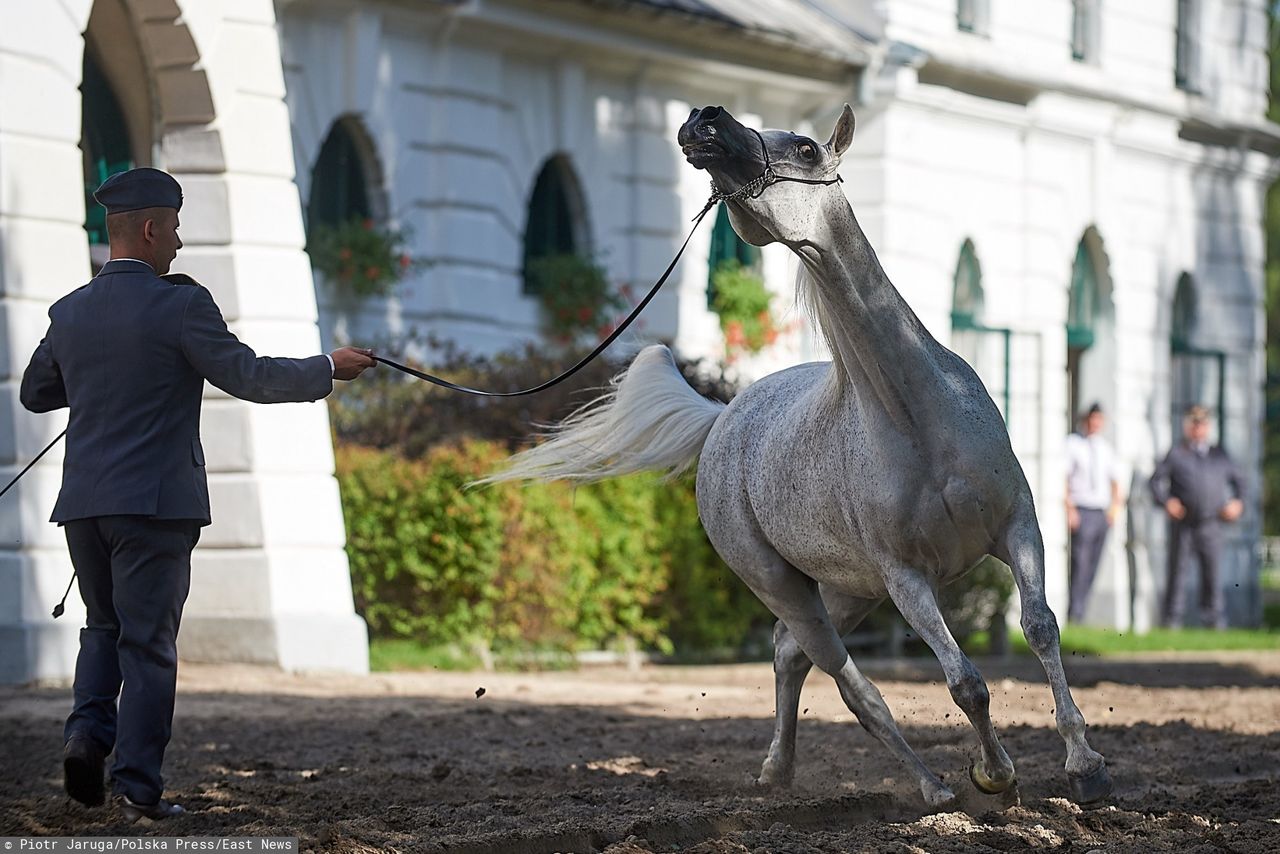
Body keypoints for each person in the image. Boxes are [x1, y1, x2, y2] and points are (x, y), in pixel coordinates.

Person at [19, 168, 377, 822]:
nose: (179, 245)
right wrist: (329, 368)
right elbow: (250, 376)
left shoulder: (69, 310)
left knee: (102, 628)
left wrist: (103, 379)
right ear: (152, 228)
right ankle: (135, 787)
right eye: (176, 229)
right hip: (155, 507)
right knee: (149, 645)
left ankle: (84, 738)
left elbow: (37, 393)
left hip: (85, 506)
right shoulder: (181, 305)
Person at [1149, 405, 1245, 629]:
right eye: (1193, 422)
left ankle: (1214, 622)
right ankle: (1172, 622)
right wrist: (1167, 501)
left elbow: (1241, 483)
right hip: (1184, 525)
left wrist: (1237, 502)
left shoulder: (1219, 455)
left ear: (1207, 426)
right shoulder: (1177, 454)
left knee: (1212, 575)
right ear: (1187, 425)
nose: (1197, 427)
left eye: (1202, 423)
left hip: (1211, 525)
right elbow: (1155, 483)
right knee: (1177, 575)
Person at [1064, 403, 1123, 624]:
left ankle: (1082, 610)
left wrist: (1114, 510)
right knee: (1081, 562)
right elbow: (1065, 479)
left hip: (1101, 511)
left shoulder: (1105, 448)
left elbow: (1116, 481)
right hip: (1083, 508)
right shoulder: (1073, 444)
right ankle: (1075, 613)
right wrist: (1070, 509)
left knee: (1094, 564)